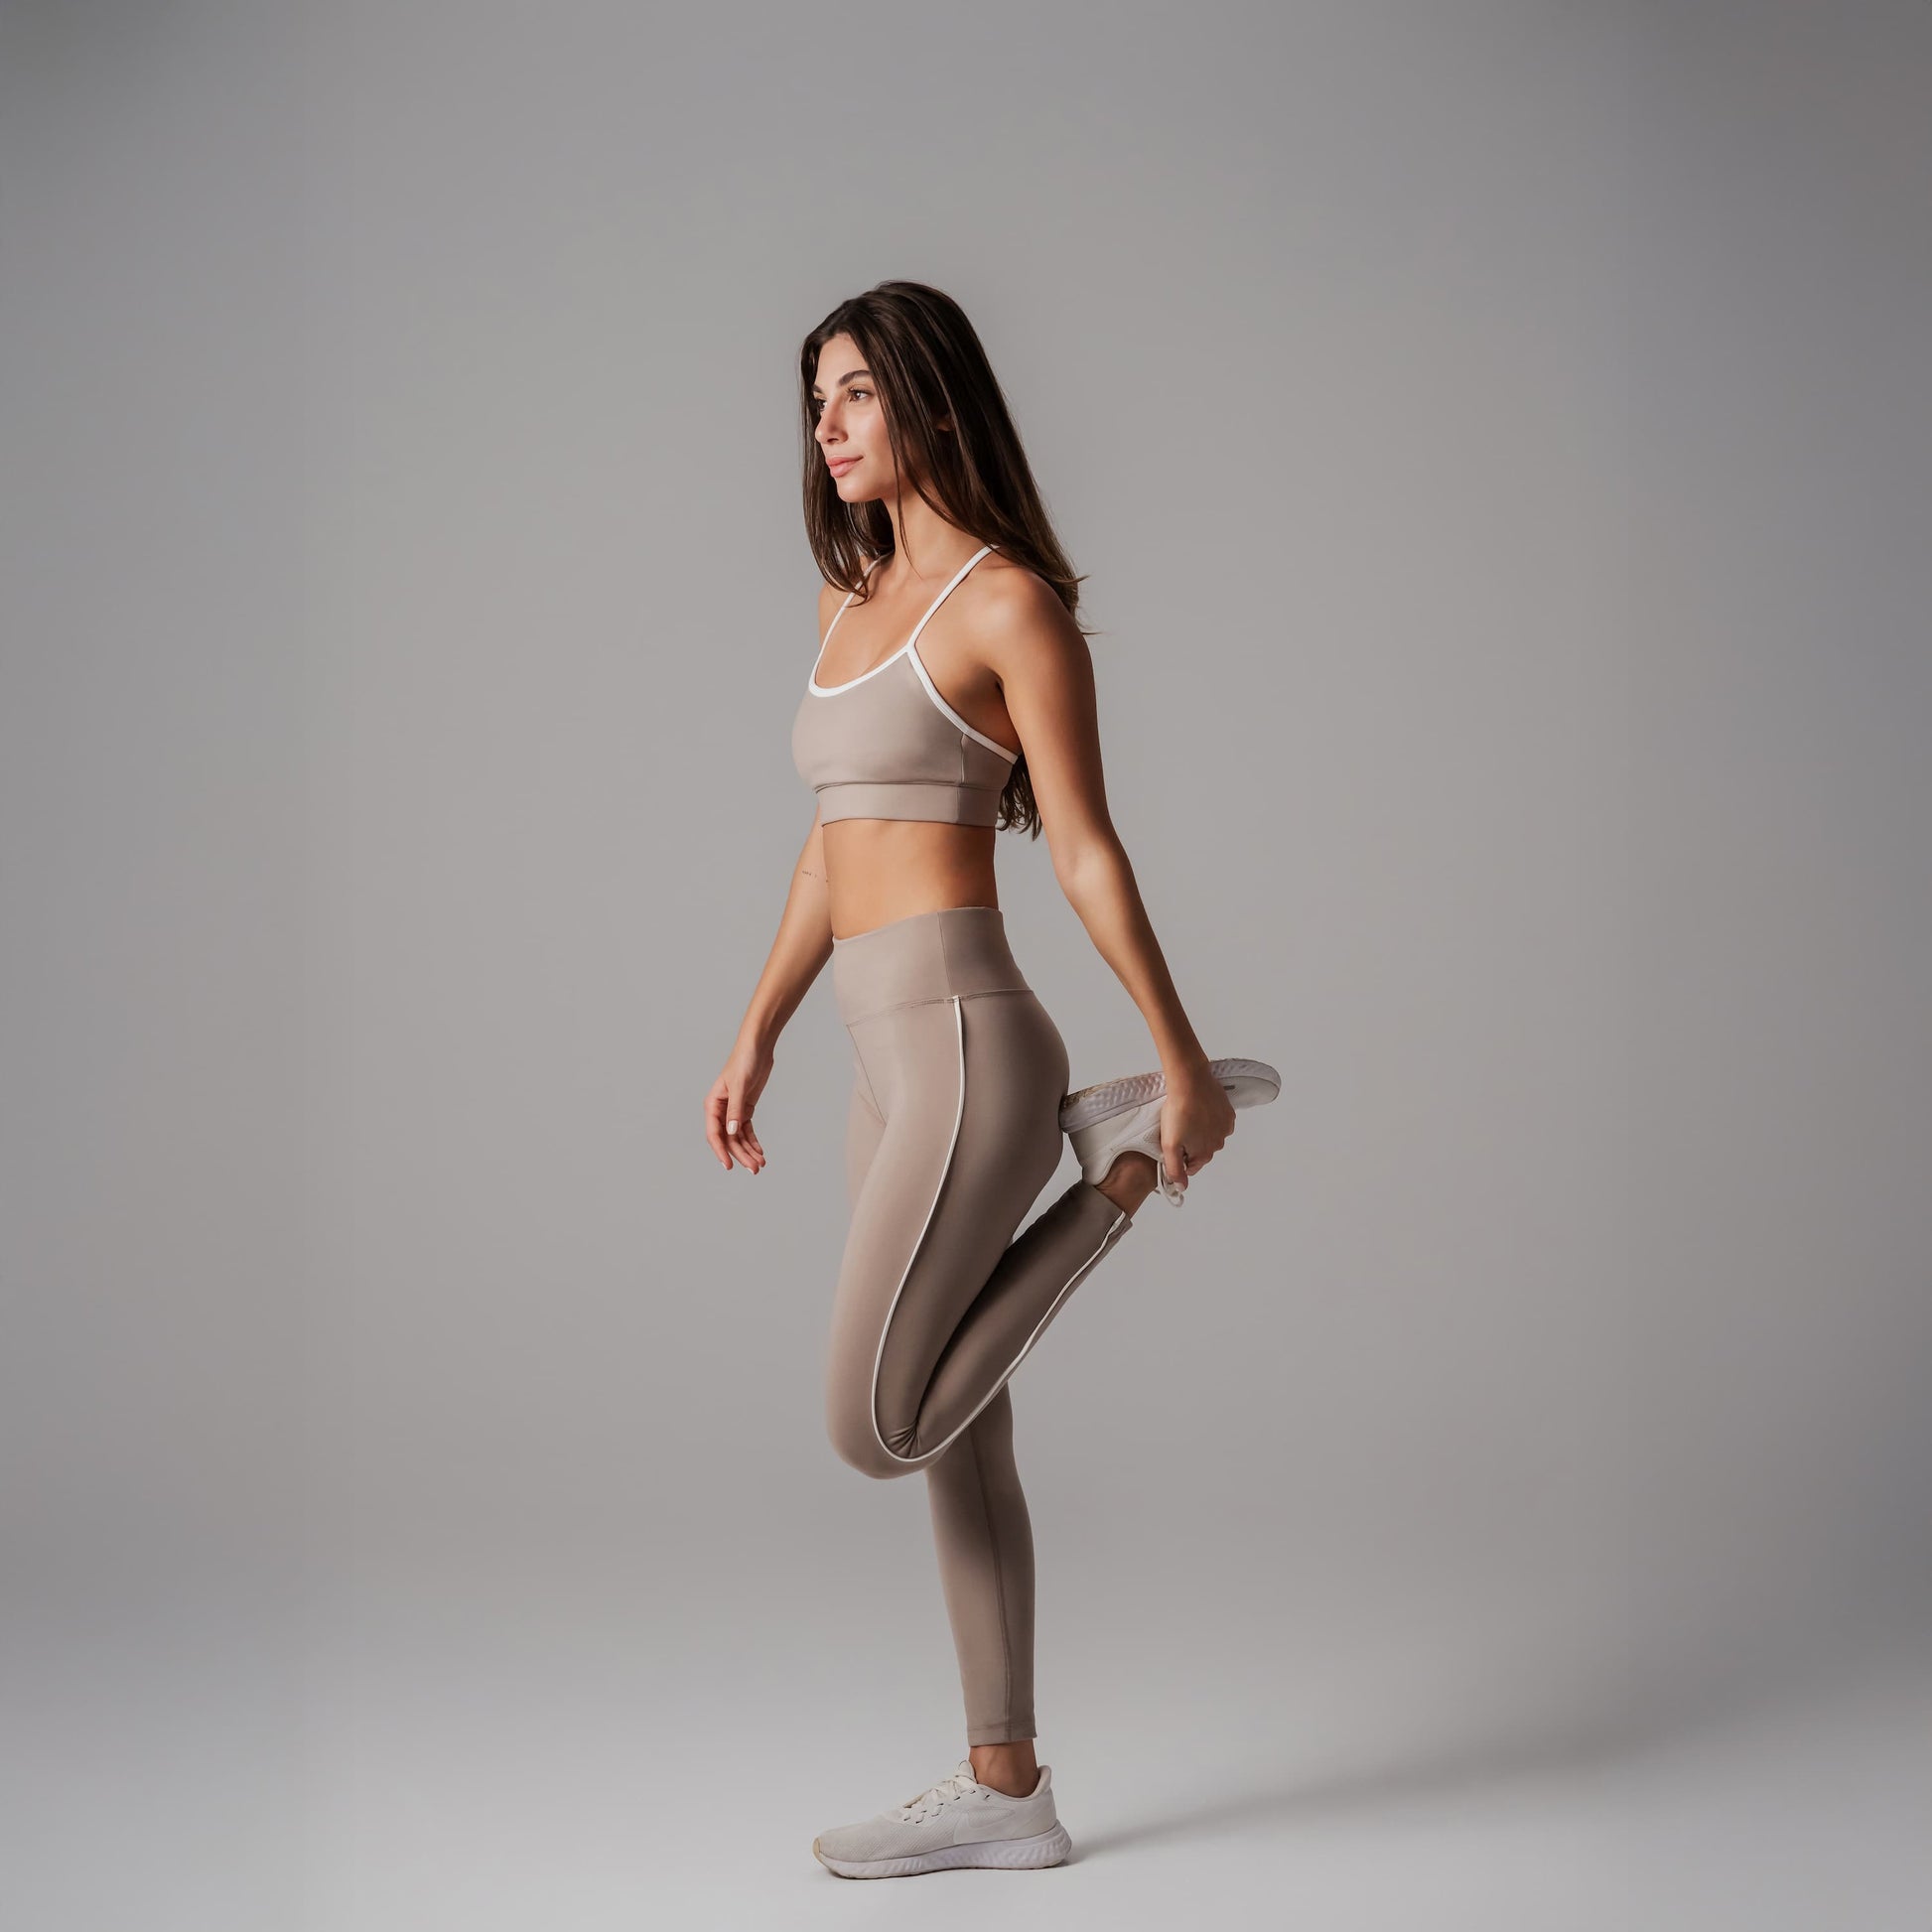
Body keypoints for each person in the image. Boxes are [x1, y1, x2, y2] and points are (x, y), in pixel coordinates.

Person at [705, 281, 1279, 1879]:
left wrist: (1177, 1054)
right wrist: (757, 1028)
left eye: (854, 394)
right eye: (815, 399)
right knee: (960, 1436)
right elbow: (830, 849)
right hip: (877, 1059)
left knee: (874, 1424)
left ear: (930, 401)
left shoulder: (1003, 603)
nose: (824, 426)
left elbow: (1083, 845)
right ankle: (1005, 1783)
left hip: (965, 1037)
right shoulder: (849, 598)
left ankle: (1116, 1174)